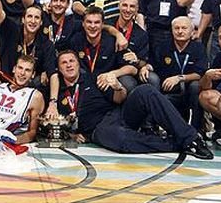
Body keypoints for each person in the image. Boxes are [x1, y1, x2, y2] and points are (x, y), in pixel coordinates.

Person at [60, 49, 212, 159]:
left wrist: (118, 87)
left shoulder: (94, 79)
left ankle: (191, 138)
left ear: (78, 64)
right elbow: (56, 124)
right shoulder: (57, 92)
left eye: (72, 61)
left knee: (146, 90)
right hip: (98, 129)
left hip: (118, 113)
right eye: (64, 63)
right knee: (120, 139)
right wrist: (71, 135)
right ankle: (176, 144)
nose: (69, 65)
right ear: (59, 68)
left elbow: (119, 99)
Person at [0, 0, 58, 118]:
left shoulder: (46, 44)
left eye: (37, 18)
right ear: (23, 20)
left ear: (41, 22)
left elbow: (54, 74)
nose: (33, 21)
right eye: (29, 17)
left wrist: (53, 103)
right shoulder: (12, 30)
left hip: (27, 92)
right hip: (4, 86)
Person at [140, 16, 207, 130]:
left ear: (192, 32)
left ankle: (197, 128)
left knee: (196, 85)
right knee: (151, 78)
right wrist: (145, 67)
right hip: (169, 90)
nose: (180, 31)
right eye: (177, 28)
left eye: (184, 28)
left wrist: (179, 78)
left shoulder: (198, 48)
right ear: (172, 31)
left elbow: (200, 73)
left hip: (189, 90)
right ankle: (150, 125)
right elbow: (153, 64)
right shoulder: (163, 46)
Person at [68, 6, 138, 94]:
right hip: (83, 87)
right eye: (89, 22)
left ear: (102, 25)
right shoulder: (75, 40)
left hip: (107, 86)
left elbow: (133, 69)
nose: (92, 26)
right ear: (83, 24)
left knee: (128, 82)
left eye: (97, 22)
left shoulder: (113, 42)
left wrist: (112, 74)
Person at [110, 0, 153, 92]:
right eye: (125, 5)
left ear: (137, 9)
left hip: (129, 71)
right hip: (109, 68)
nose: (128, 10)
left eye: (132, 6)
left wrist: (137, 60)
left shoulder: (141, 34)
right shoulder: (108, 25)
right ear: (119, 6)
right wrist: (117, 34)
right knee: (128, 83)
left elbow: (143, 62)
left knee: (151, 79)